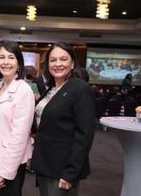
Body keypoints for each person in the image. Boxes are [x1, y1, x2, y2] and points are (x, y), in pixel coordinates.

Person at [31, 42, 95, 196]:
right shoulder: (52, 89)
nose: (57, 64)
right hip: (45, 165)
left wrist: (70, 173)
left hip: (63, 169)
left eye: (63, 59)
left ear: (72, 63)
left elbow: (84, 135)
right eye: (53, 60)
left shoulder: (80, 88)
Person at [0, 41, 35, 196]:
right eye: (2, 57)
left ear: (19, 63)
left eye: (11, 57)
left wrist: (5, 172)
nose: (5, 62)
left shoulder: (24, 90)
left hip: (9, 163)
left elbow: (20, 135)